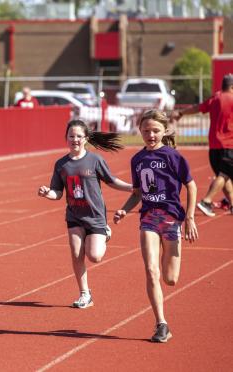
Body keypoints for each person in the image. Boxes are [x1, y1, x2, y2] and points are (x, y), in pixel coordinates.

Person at [114, 109, 198, 343]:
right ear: (139, 131)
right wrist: (124, 209)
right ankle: (161, 324)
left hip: (171, 219)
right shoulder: (137, 160)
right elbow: (138, 193)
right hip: (149, 218)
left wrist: (190, 217)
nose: (151, 135)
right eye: (146, 131)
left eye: (155, 131)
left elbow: (191, 186)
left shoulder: (173, 156)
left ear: (164, 131)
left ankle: (170, 253)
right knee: (152, 271)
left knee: (170, 279)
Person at [38, 119, 132, 309]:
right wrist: (47, 193)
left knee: (95, 256)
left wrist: (132, 188)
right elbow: (58, 193)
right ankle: (84, 294)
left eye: (79, 136)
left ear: (86, 139)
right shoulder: (61, 164)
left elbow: (111, 181)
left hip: (95, 216)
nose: (75, 139)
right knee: (76, 253)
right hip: (74, 216)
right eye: (71, 136)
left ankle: (104, 233)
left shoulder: (95, 160)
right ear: (66, 138)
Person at [172, 74, 233, 217]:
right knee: (225, 175)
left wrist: (181, 112)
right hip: (228, 144)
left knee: (224, 176)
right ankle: (206, 201)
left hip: (213, 146)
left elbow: (197, 108)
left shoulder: (215, 97)